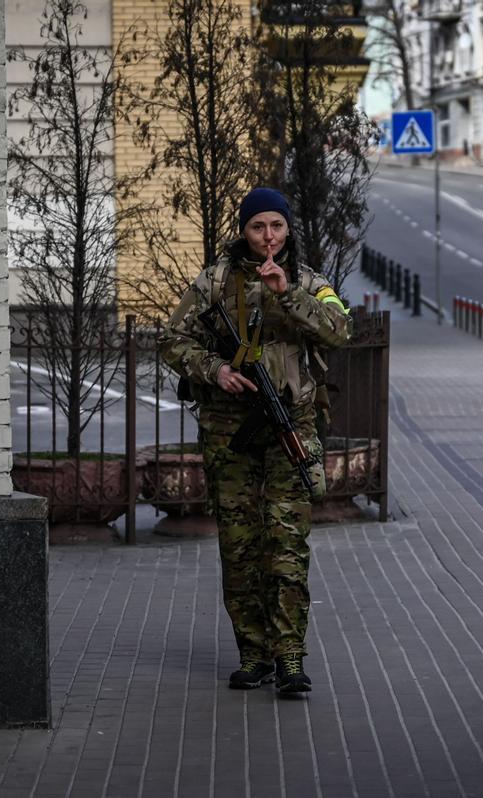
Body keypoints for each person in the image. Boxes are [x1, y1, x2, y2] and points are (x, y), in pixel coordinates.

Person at [159, 188, 350, 694]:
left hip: (290, 424)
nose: (269, 237)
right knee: (240, 545)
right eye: (258, 227)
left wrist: (289, 294)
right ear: (243, 231)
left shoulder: (308, 280)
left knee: (286, 544)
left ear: (288, 231)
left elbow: (339, 331)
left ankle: (290, 657)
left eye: (277, 227)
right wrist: (215, 370)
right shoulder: (216, 281)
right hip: (230, 431)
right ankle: (253, 653)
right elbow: (171, 339)